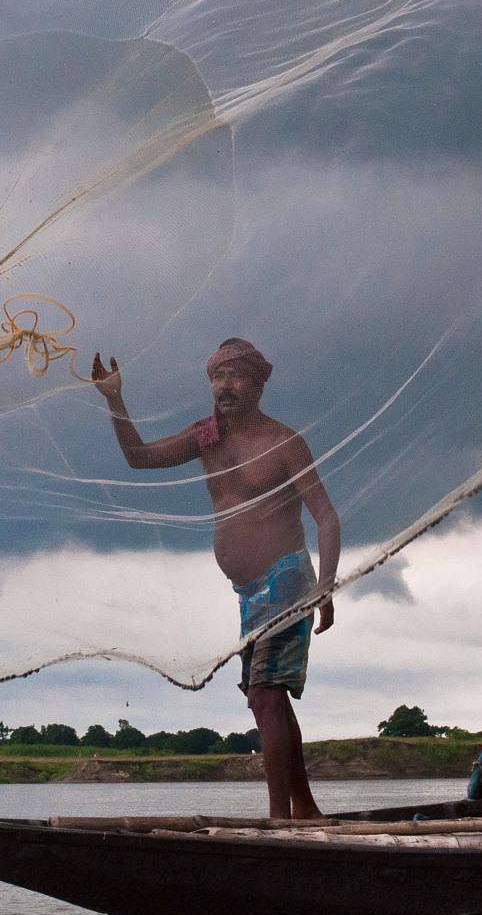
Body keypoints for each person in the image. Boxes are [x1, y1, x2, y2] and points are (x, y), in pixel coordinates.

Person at [90, 338, 340, 819]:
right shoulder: (206, 436)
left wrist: (326, 585)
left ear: (256, 383)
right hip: (248, 594)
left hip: (287, 581)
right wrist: (115, 399)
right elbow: (139, 458)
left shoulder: (283, 443)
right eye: (216, 377)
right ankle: (304, 810)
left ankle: (279, 821)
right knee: (266, 700)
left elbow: (325, 517)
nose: (224, 387)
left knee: (265, 695)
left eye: (234, 376)